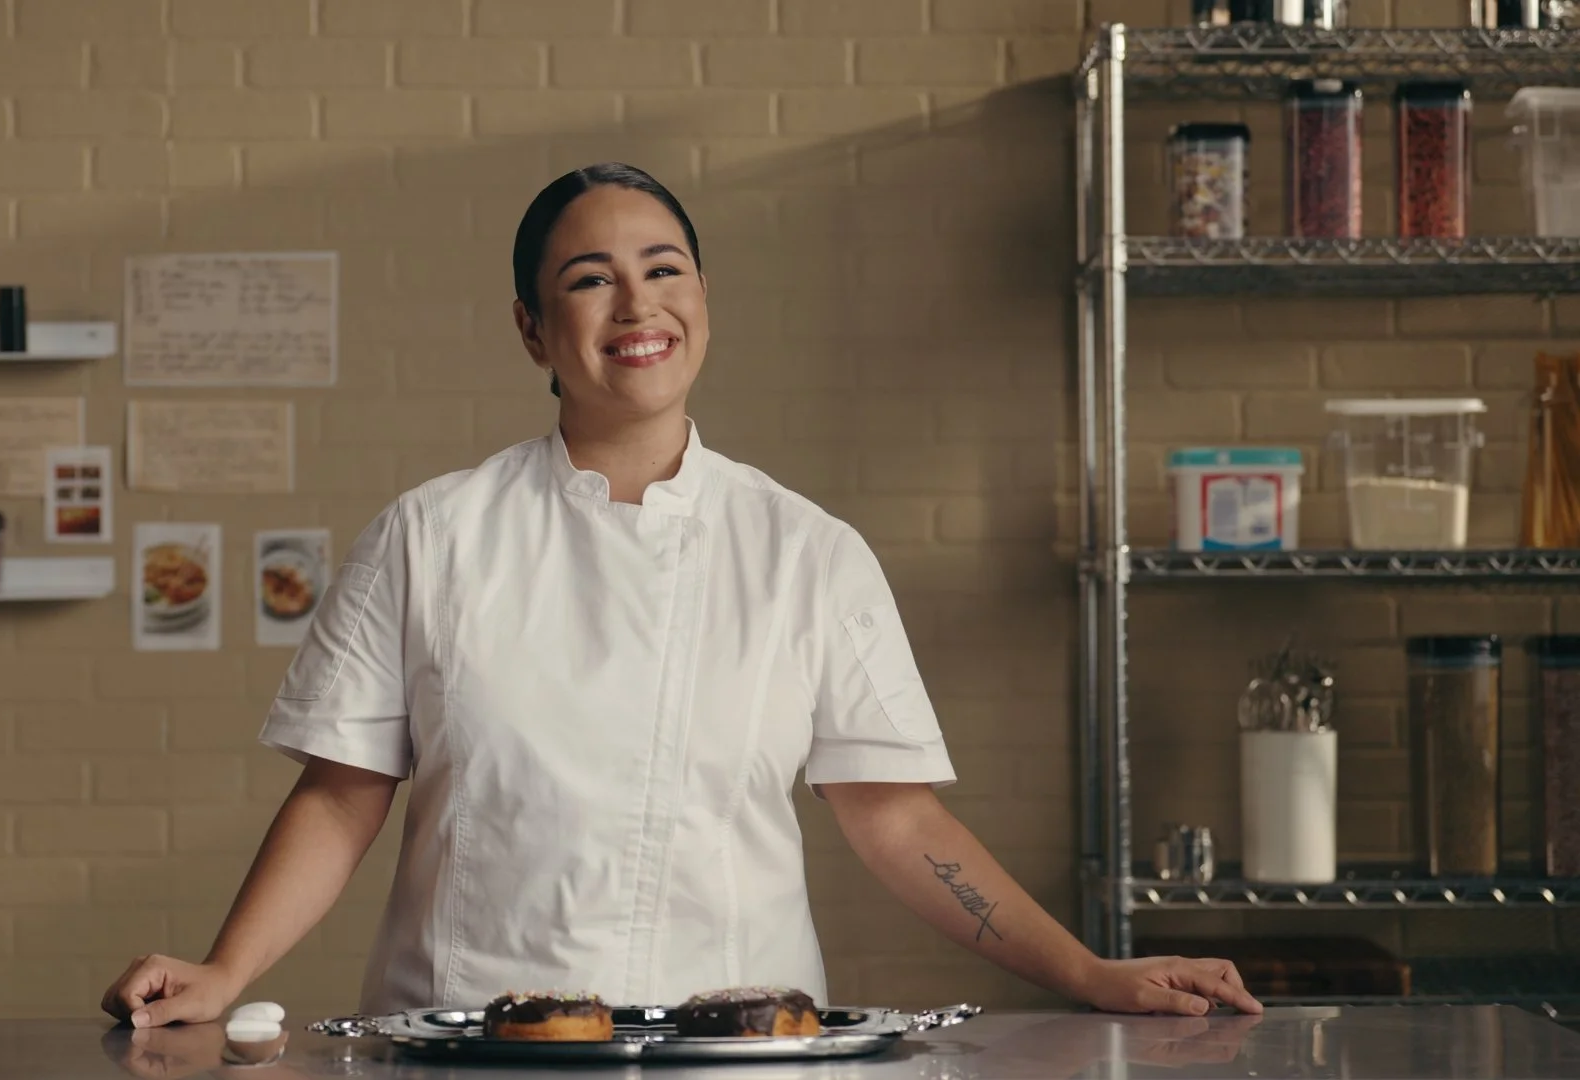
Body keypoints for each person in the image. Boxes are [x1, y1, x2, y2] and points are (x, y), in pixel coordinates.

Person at [100, 163, 1263, 1029]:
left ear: (703, 301)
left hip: (742, 1043)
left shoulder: (805, 550)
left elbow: (900, 821)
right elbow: (342, 793)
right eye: (589, 281)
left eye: (663, 271)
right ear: (532, 330)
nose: (635, 306)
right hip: (473, 1041)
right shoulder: (434, 534)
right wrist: (227, 974)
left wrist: (1087, 973)